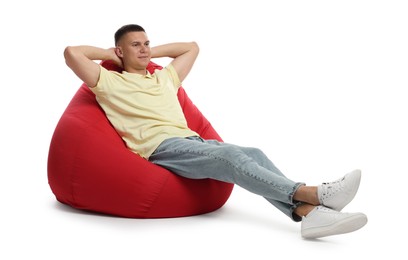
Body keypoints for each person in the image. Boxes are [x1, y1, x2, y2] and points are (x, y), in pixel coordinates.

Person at [64, 24, 368, 239]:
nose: (144, 49)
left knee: (254, 154)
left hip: (192, 143)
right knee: (232, 156)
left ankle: (308, 214)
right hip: (162, 149)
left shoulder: (163, 79)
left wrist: (148, 52)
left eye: (147, 43)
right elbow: (72, 53)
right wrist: (113, 56)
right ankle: (314, 193)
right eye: (136, 45)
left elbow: (191, 47)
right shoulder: (110, 82)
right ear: (120, 50)